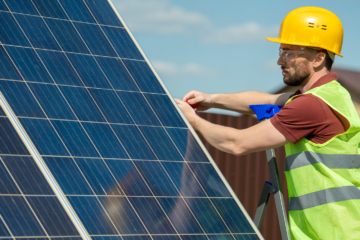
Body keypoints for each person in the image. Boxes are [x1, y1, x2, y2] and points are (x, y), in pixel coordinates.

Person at [176, 6, 360, 240]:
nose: (279, 61)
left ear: (318, 58)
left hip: (330, 233)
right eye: (281, 51)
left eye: (289, 53)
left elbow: (237, 143)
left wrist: (192, 119)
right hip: (342, 228)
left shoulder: (311, 106)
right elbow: (266, 100)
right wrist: (212, 100)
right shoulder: (331, 95)